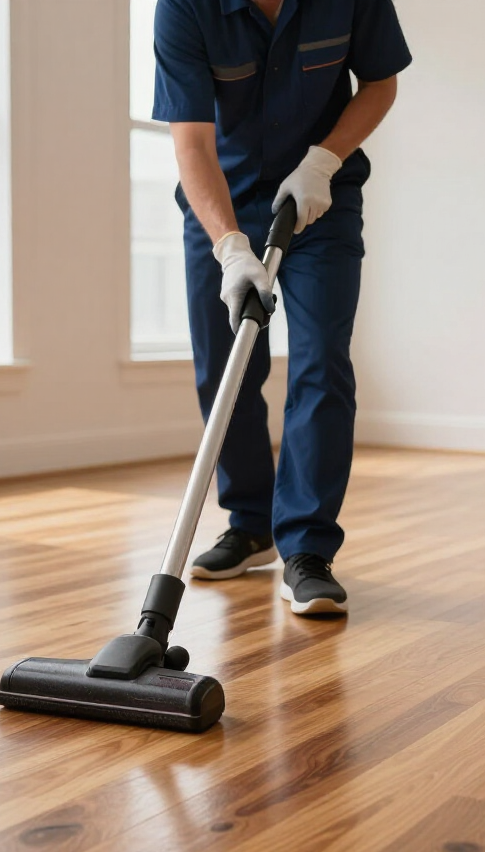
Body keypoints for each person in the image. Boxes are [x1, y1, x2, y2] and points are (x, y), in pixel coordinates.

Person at [152, 0, 411, 615]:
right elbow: (191, 142)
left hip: (322, 196)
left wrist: (323, 160)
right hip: (224, 198)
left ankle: (308, 549)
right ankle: (250, 524)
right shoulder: (185, 8)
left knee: (322, 357)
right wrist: (230, 246)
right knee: (226, 365)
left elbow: (380, 83)